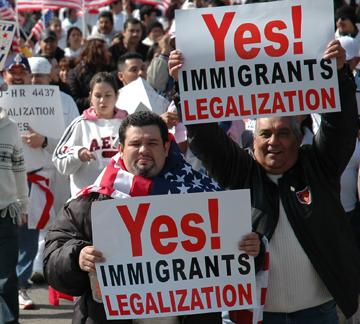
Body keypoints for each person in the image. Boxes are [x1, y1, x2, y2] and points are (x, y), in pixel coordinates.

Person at [168, 40, 360, 323]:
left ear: (299, 138)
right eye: (265, 134)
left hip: (317, 313)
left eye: (283, 133)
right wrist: (185, 85)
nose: (274, 142)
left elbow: (339, 129)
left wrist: (340, 76)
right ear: (251, 140)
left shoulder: (318, 166)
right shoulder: (239, 171)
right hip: (256, 315)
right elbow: (206, 138)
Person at [44, 110, 261, 324]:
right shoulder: (90, 202)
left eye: (152, 143)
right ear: (120, 149)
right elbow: (53, 263)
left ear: (166, 147)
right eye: (135, 144)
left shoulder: (203, 198)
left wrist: (253, 249)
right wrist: (77, 257)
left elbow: (240, 261)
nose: (143, 150)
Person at [53, 72, 127, 196]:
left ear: (116, 96)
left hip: (120, 196)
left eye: (108, 95)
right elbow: (58, 159)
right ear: (90, 97)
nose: (103, 100)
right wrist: (78, 154)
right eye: (98, 95)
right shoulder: (80, 124)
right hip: (86, 199)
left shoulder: (128, 123)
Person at [0, 105, 28, 324]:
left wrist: (23, 204)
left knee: (7, 279)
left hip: (5, 214)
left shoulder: (10, 129)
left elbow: (19, 169)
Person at [68, 36, 113, 113]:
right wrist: (92, 99)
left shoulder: (110, 71)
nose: (109, 54)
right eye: (106, 51)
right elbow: (73, 101)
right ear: (97, 53)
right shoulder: (76, 73)